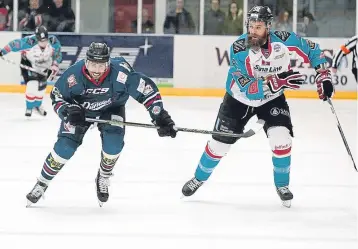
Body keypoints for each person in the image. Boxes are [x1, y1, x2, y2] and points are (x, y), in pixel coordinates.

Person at [181, 6, 334, 208]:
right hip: (238, 100)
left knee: (281, 138)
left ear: (268, 27)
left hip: (272, 99)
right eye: (251, 26)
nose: (253, 31)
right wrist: (275, 81)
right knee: (219, 145)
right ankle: (198, 178)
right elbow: (247, 87)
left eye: (258, 27)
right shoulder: (238, 48)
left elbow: (312, 49)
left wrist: (322, 74)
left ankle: (282, 186)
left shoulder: (284, 40)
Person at [26, 42, 177, 207]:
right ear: (86, 62)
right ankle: (42, 182)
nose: (96, 70)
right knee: (64, 148)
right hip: (80, 112)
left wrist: (159, 115)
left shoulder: (121, 72)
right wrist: (67, 111)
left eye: (101, 65)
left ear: (108, 63)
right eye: (92, 64)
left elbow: (146, 91)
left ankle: (103, 175)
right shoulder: (73, 76)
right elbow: (57, 96)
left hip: (112, 109)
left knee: (114, 144)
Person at [0, 25, 61, 116]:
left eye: (45, 41)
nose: (43, 43)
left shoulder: (53, 41)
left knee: (42, 88)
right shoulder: (28, 42)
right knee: (32, 85)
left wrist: (55, 64)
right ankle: (29, 107)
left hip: (44, 66)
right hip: (28, 64)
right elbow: (13, 44)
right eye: (41, 41)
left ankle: (37, 106)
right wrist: (3, 51)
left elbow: (58, 53)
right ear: (36, 39)